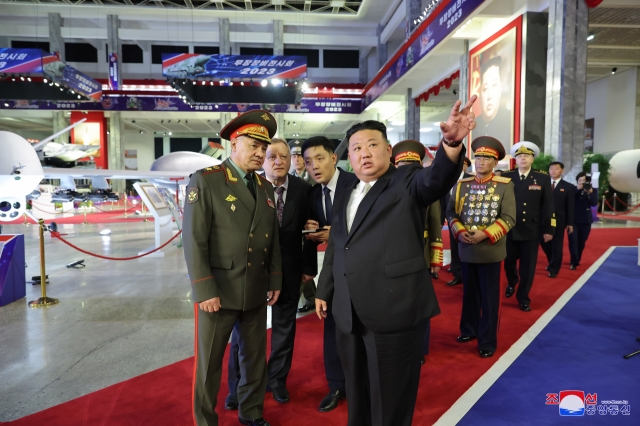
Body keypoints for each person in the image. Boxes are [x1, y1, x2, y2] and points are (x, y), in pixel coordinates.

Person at [316, 96, 476, 426]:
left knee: (391, 400)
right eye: (357, 148)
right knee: (357, 395)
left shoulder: (406, 181)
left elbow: (435, 179)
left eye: (372, 145)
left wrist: (451, 144)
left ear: (388, 150)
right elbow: (337, 245)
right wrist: (324, 289)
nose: (364, 153)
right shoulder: (346, 191)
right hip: (349, 312)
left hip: (394, 312)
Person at [183, 109, 282, 426]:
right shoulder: (207, 181)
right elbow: (194, 241)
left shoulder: (265, 188)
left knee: (254, 358)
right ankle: (205, 420)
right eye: (254, 145)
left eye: (263, 147)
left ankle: (251, 412)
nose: (260, 153)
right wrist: (204, 288)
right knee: (209, 363)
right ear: (234, 144)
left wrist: (274, 278)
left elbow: (273, 238)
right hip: (219, 291)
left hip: (254, 286)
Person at [225, 138, 317, 408]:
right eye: (272, 156)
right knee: (243, 333)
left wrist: (309, 268)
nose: (278, 161)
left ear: (291, 160)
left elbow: (311, 229)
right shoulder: (250, 187)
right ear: (263, 160)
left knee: (284, 331)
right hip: (251, 272)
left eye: (284, 157)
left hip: (290, 271)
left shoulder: (303, 189)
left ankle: (276, 380)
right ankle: (237, 387)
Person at [447, 136, 516, 358]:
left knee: (489, 299)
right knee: (469, 295)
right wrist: (459, 230)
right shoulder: (462, 185)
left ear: (495, 163)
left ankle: (487, 341)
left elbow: (509, 218)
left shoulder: (504, 186)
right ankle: (469, 329)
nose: (480, 162)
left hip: (491, 250)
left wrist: (485, 234)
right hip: (467, 249)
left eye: (486, 158)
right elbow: (451, 213)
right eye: (478, 157)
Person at [302, 135, 356, 412]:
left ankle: (361, 383)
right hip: (333, 274)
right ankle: (336, 385)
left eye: (320, 158)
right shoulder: (313, 194)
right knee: (332, 330)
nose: (314, 166)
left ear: (334, 158)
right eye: (309, 162)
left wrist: (332, 233)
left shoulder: (356, 183)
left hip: (361, 271)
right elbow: (316, 232)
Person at [392, 139, 443, 365]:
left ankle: (420, 348)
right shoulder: (387, 185)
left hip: (419, 251)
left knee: (420, 303)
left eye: (411, 166)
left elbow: (434, 223)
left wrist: (434, 258)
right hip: (392, 254)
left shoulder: (426, 188)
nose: (406, 170)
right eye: (402, 165)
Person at [502, 142, 555, 312]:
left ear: (532, 159)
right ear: (515, 160)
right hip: (509, 228)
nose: (522, 158)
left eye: (526, 156)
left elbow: (548, 205)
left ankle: (523, 297)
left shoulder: (542, 178)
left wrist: (549, 229)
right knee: (508, 262)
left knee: (528, 266)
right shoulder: (506, 176)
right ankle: (512, 282)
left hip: (531, 229)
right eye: (519, 156)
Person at [541, 162, 575, 278]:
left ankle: (554, 268)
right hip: (542, 219)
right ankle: (552, 261)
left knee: (556, 245)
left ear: (562, 171)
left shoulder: (568, 187)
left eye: (556, 169)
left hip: (558, 220)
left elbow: (570, 206)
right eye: (551, 169)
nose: (553, 171)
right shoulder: (542, 184)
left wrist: (570, 223)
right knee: (544, 243)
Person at [442, 156, 472, 286]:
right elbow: (443, 199)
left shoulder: (471, 179)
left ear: (465, 166)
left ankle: (468, 275)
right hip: (452, 218)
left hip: (468, 220)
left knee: (467, 247)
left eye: (462, 164)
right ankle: (457, 274)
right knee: (454, 247)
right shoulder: (447, 179)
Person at [474, 56, 512, 146]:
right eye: (485, 88)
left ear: (500, 89)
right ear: (480, 93)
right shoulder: (474, 126)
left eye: (494, 86)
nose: (489, 96)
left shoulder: (509, 121)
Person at [569, 172, 598, 270]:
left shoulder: (592, 190)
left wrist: (589, 192)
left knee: (581, 242)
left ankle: (577, 258)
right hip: (573, 220)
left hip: (585, 220)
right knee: (573, 241)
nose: (581, 182)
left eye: (584, 181)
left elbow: (594, 203)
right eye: (579, 180)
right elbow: (570, 199)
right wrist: (578, 189)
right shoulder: (573, 189)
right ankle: (574, 262)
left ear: (588, 182)